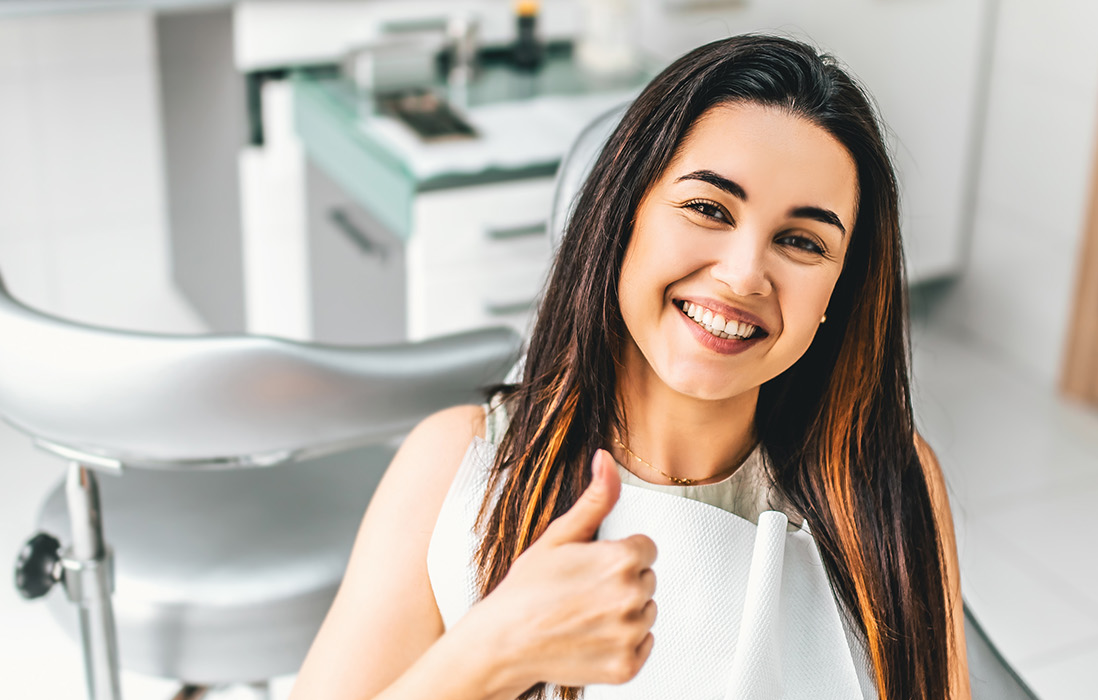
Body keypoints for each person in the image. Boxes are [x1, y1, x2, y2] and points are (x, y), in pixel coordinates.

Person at [291, 34, 970, 700]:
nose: (742, 276)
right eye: (708, 208)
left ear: (838, 295)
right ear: (624, 219)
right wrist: (495, 650)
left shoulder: (887, 479)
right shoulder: (458, 465)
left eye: (800, 241)